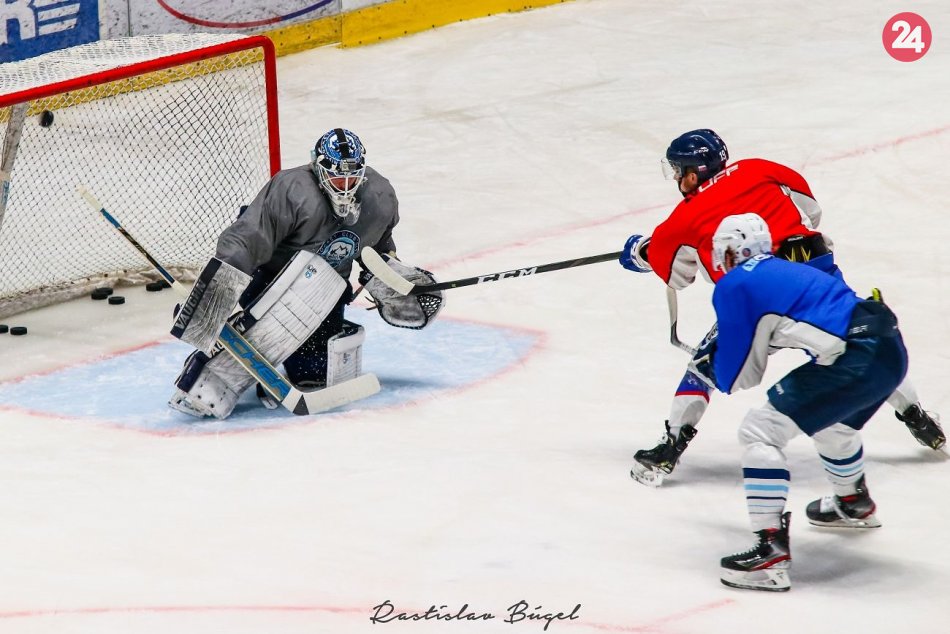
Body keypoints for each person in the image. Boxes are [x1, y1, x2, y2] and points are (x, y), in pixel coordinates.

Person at [620, 129, 943, 485]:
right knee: (851, 340)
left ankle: (670, 447)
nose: (677, 178)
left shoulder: (683, 217)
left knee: (704, 366)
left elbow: (677, 275)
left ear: (693, 173)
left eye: (678, 170)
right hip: (816, 271)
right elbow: (811, 211)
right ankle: (917, 416)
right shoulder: (758, 168)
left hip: (760, 298)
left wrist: (641, 251)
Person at [688, 213, 907, 592]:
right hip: (889, 349)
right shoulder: (788, 270)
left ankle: (770, 551)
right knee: (833, 425)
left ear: (731, 253)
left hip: (855, 356)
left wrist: (711, 361)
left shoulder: (735, 284)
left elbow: (738, 377)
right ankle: (852, 502)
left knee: (759, 431)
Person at [167, 128, 444, 419]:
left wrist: (391, 273)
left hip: (326, 291)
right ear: (318, 168)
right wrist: (217, 294)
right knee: (262, 340)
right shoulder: (292, 190)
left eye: (352, 178)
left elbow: (377, 244)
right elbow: (245, 240)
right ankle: (214, 371)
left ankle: (284, 357)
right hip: (269, 280)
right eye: (337, 178)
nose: (345, 187)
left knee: (313, 376)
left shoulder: (380, 195)